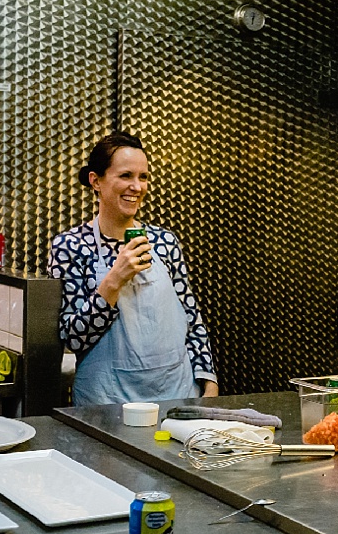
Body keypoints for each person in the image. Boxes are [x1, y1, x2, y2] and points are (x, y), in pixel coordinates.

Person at [48, 132, 218, 406]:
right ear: (96, 181)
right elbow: (73, 339)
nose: (137, 187)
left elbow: (191, 318)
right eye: (126, 176)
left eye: (144, 177)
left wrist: (209, 382)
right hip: (105, 404)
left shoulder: (164, 242)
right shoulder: (70, 246)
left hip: (176, 397)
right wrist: (114, 279)